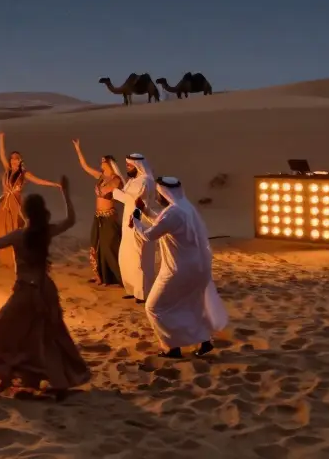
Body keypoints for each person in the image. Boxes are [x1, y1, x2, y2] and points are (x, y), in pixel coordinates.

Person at [0, 176, 91, 398]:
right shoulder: (45, 232)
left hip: (26, 292)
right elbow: (71, 220)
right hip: (45, 290)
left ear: (25, 213)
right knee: (48, 337)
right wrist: (65, 192)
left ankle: (11, 375)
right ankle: (54, 382)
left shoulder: (20, 235)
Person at [127, 175, 228, 359]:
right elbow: (163, 224)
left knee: (154, 307)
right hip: (197, 267)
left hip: (178, 269)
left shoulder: (173, 213)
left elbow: (149, 235)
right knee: (189, 304)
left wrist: (135, 220)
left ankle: (171, 347)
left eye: (159, 193)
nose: (157, 196)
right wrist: (145, 210)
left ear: (165, 194)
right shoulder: (185, 208)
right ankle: (204, 341)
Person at [0, 132, 61, 269]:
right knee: (2, 231)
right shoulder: (7, 170)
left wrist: (55, 184)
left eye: (16, 158)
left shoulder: (24, 174)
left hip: (15, 206)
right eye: (12, 158)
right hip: (4, 205)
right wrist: (1, 139)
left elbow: (39, 181)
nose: (13, 161)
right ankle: (6, 259)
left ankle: (19, 258)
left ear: (20, 161)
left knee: (15, 231)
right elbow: (1, 155)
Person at [72, 139, 125, 286]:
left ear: (110, 164)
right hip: (98, 217)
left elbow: (108, 191)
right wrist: (78, 149)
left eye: (103, 161)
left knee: (109, 247)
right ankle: (99, 276)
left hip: (109, 217)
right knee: (95, 246)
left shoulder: (116, 180)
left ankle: (118, 277)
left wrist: (103, 189)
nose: (101, 163)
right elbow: (85, 167)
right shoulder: (101, 176)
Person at [112, 153, 159, 303]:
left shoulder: (145, 181)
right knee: (127, 257)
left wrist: (115, 192)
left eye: (129, 166)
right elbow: (126, 194)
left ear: (137, 166)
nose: (127, 168)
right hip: (129, 223)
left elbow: (133, 200)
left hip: (140, 222)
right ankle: (133, 289)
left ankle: (142, 293)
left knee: (140, 259)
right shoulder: (134, 181)